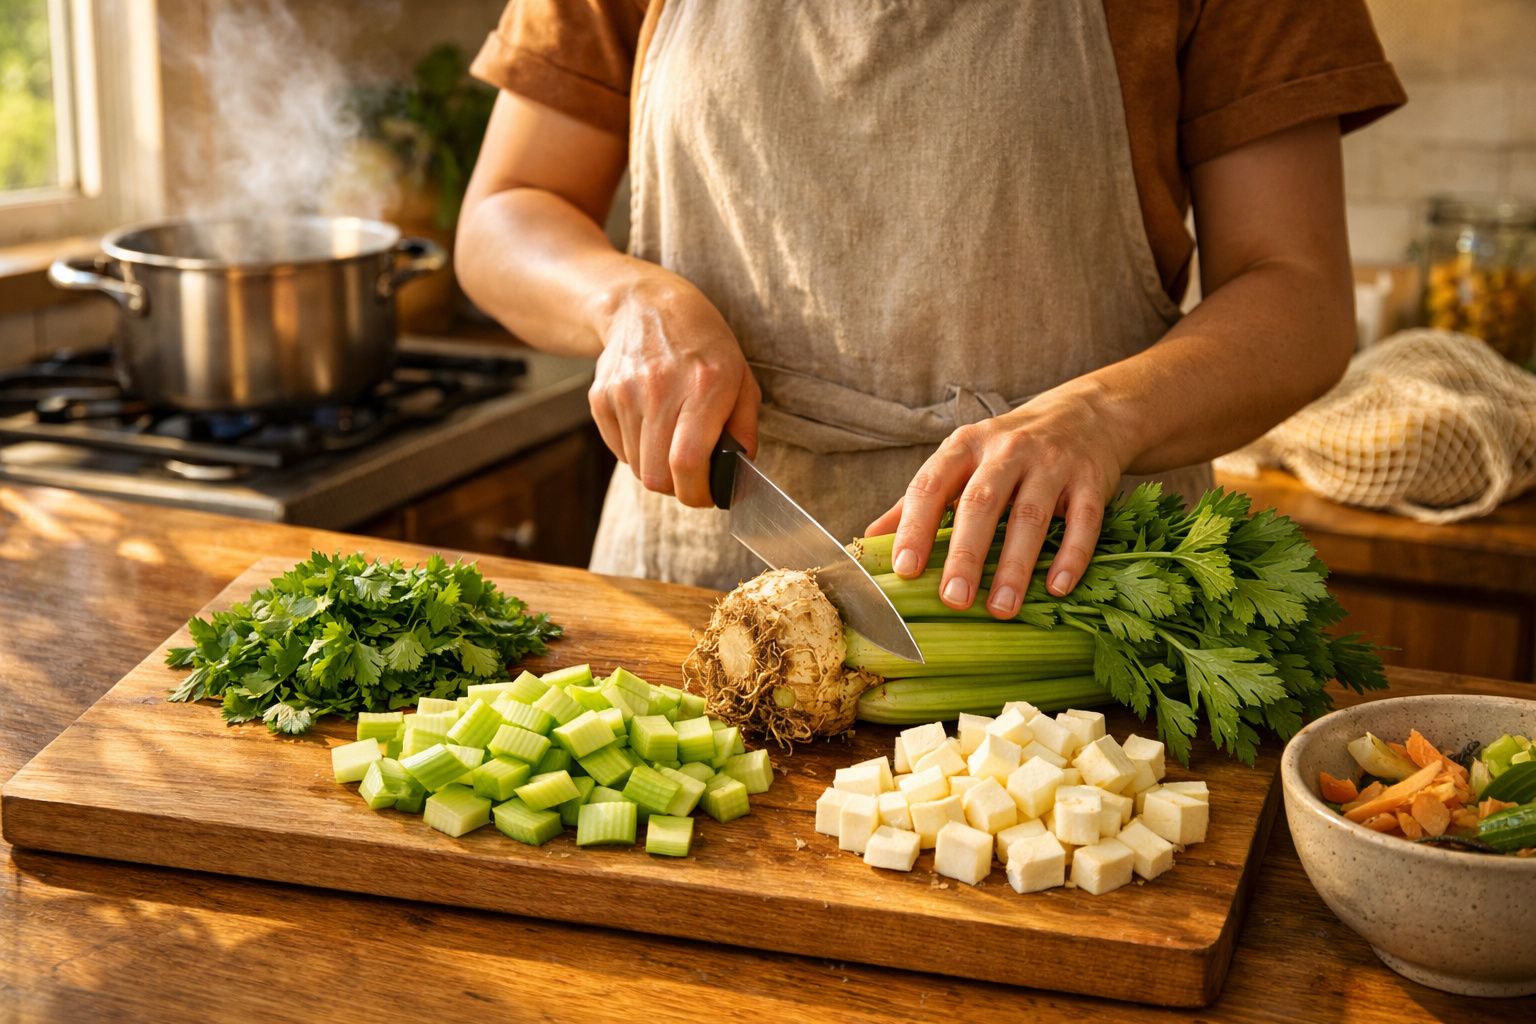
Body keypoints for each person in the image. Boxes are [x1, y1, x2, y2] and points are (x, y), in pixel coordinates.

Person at [456, 1, 1405, 617]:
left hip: (1071, 594)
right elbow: (503, 216)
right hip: (701, 567)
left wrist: (1101, 419)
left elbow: (1299, 291)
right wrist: (629, 302)